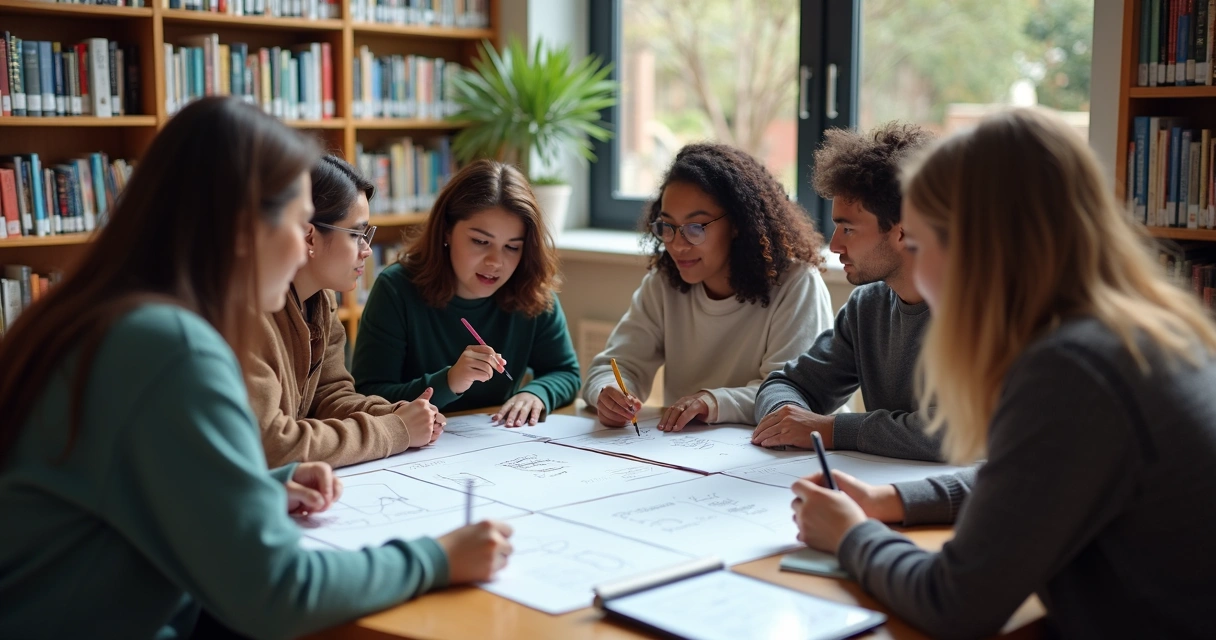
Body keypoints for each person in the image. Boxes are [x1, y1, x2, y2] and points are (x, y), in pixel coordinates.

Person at [0, 97, 513, 640]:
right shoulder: (170, 348)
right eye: (297, 224)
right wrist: (437, 558)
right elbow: (275, 593)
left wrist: (264, 487)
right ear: (242, 228)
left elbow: (129, 484)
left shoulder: (116, 315)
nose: (302, 248)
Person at [791, 108, 1216, 639]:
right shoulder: (1138, 330)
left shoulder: (1071, 371)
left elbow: (955, 603)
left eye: (919, 246)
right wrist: (895, 500)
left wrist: (851, 535)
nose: (917, 270)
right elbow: (1030, 478)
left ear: (979, 244)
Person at [582, 143, 833, 431]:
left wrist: (711, 402)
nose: (676, 245)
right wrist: (609, 391)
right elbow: (615, 365)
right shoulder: (665, 283)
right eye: (667, 226)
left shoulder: (796, 283)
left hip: (782, 453)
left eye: (695, 227)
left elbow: (793, 394)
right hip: (686, 454)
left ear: (738, 223)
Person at [752, 122, 942, 460]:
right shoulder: (867, 307)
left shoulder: (977, 310)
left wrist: (829, 429)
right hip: (876, 490)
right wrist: (785, 415)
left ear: (902, 233)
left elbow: (948, 434)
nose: (835, 244)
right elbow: (787, 384)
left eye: (848, 229)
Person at [247, 154, 444, 469]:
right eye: (356, 234)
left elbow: (329, 396)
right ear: (309, 235)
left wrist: (395, 412)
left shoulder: (322, 298)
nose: (367, 250)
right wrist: (395, 430)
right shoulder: (247, 314)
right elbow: (273, 445)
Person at [352, 159, 579, 426]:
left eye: (512, 247)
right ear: (447, 230)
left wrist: (536, 393)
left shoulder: (531, 288)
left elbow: (565, 372)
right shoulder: (396, 288)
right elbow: (368, 395)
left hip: (498, 444)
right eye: (481, 241)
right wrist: (448, 382)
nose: (496, 261)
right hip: (417, 448)